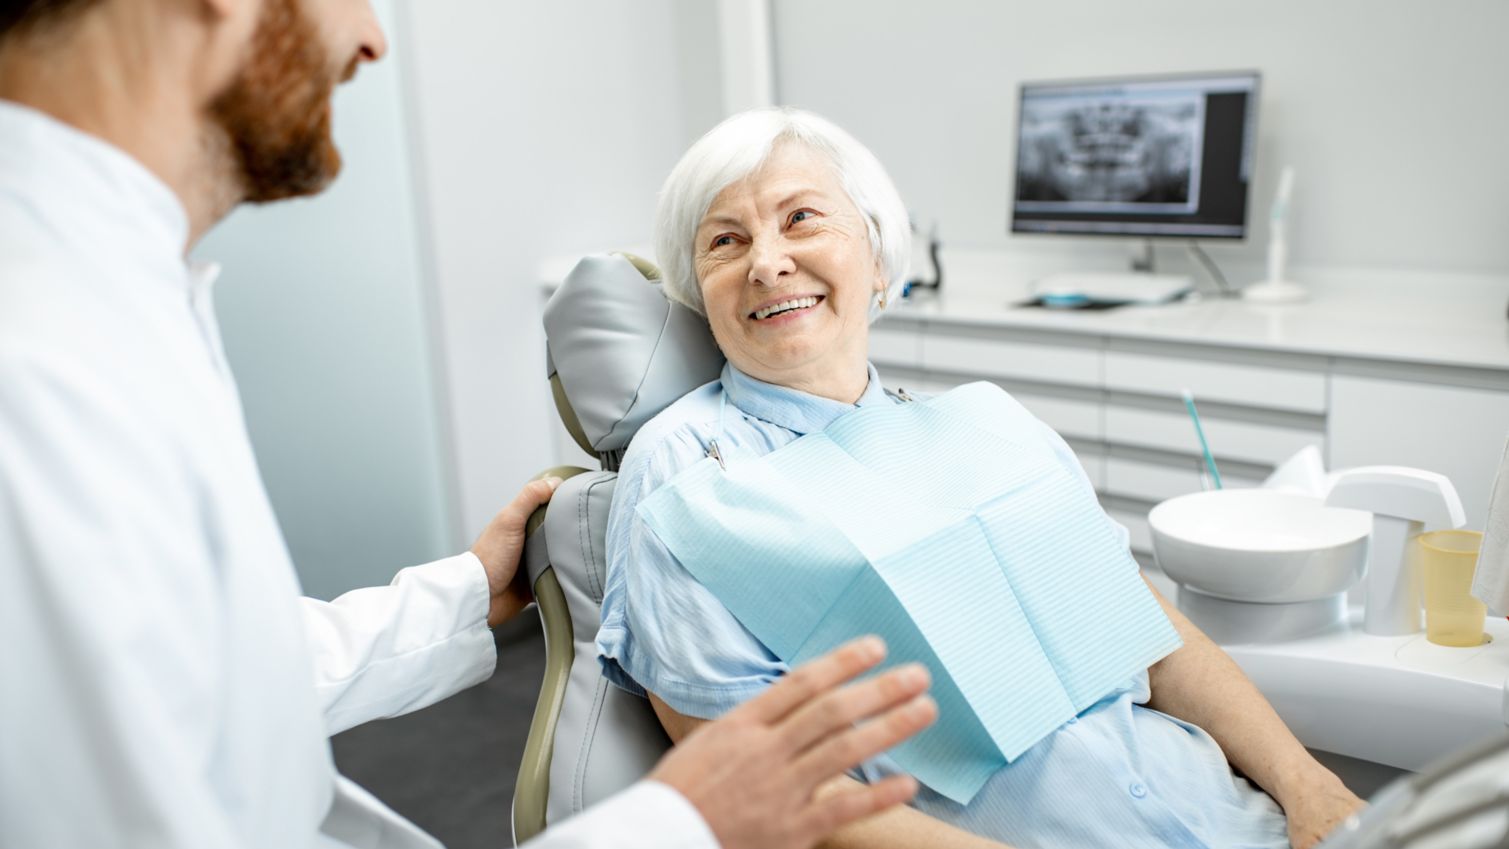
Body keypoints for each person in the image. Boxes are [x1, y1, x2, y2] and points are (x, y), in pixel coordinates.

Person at [0, 2, 941, 847]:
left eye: (805, 219)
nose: (371, 37)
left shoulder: (108, 296)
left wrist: (460, 594)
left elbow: (191, 677)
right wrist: (677, 820)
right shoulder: (42, 358)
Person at [596, 106, 1368, 849]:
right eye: (725, 241)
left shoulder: (987, 424)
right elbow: (760, 783)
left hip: (1230, 814)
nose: (766, 262)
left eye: (800, 218)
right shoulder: (689, 468)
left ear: (876, 254)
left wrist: (1307, 789)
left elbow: (1152, 636)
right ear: (699, 291)